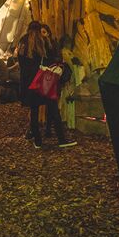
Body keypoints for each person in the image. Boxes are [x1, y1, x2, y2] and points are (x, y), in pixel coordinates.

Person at [18, 21, 76, 149]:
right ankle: (61, 139)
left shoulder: (22, 41)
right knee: (54, 109)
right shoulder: (41, 41)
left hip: (29, 83)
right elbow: (50, 58)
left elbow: (21, 62)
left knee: (34, 111)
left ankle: (38, 141)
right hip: (43, 82)